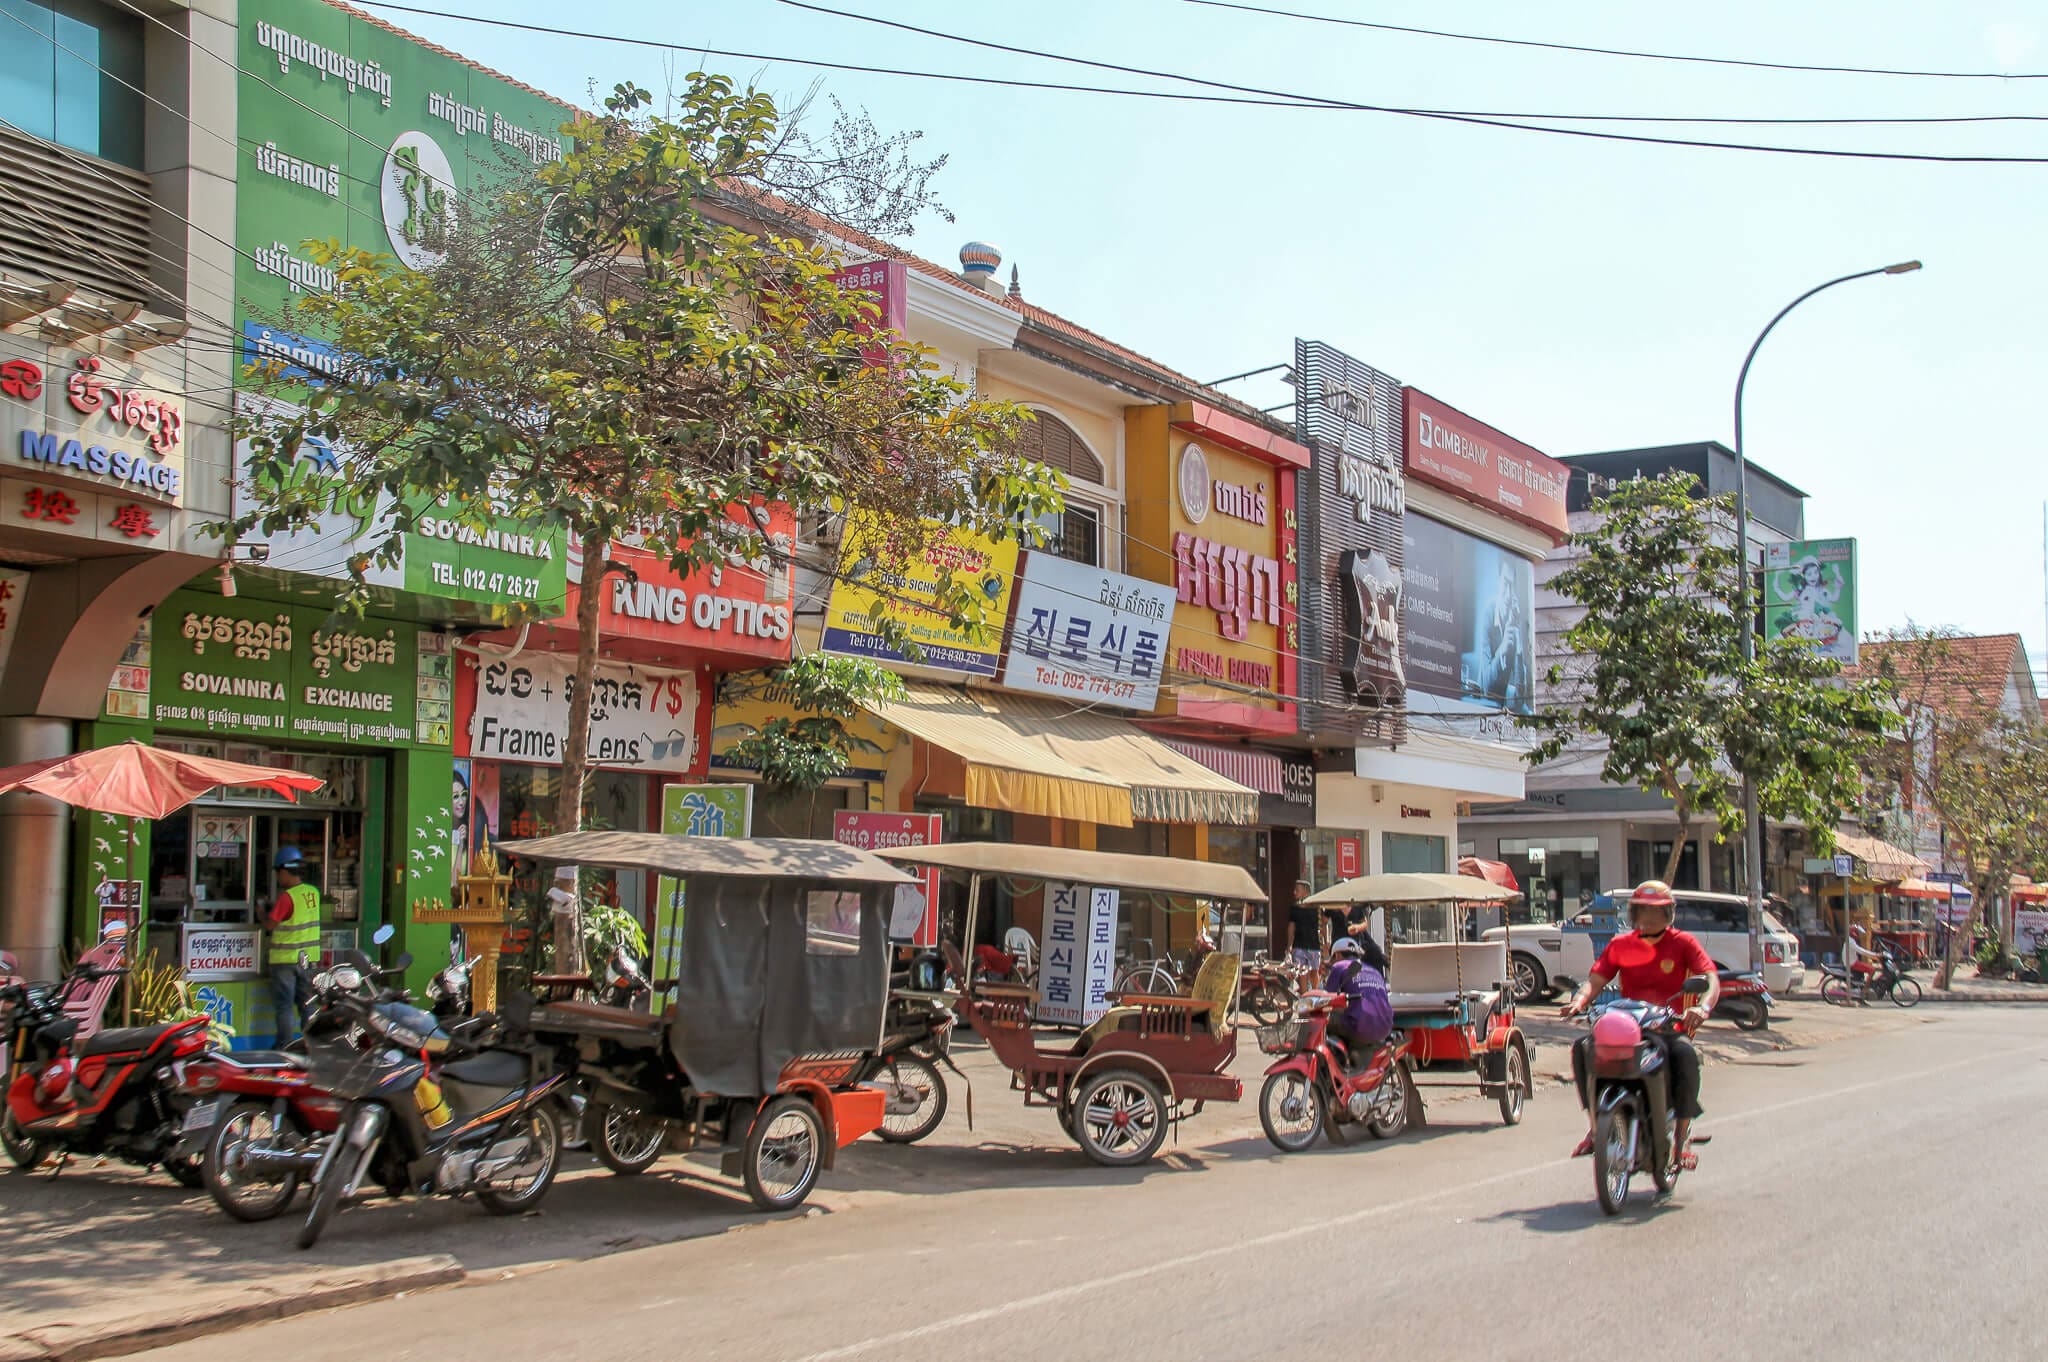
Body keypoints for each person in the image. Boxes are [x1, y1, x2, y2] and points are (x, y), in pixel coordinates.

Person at [1559, 880, 1719, 1168]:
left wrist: (1702, 1006)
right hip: (1627, 1027)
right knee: (1584, 1049)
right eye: (1642, 910)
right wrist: (1579, 1002)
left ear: (1668, 913)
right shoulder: (1621, 944)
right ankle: (1597, 1126)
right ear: (1633, 913)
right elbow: (1594, 982)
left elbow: (1710, 979)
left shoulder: (1683, 942)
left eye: (1655, 911)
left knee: (1685, 1056)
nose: (1648, 917)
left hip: (1668, 1028)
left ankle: (1681, 1139)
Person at [265, 847, 322, 1043]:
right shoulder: (313, 893)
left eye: (278, 873)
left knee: (284, 1007)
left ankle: (284, 1046)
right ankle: (312, 1045)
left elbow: (270, 924)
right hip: (308, 961)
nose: (278, 878)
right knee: (308, 1005)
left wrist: (260, 911)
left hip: (285, 962)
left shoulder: (287, 897)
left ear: (285, 871)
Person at [1323, 936, 1393, 1071]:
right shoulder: (1374, 971)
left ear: (1336, 955)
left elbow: (1326, 999)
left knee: (1325, 1024)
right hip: (1385, 1026)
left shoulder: (1339, 966)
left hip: (1360, 1026)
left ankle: (1337, 1068)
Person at [1287, 878, 1322, 972]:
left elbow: (1323, 925)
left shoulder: (1317, 908)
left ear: (1306, 892)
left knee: (1314, 974)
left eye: (1297, 890)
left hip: (1313, 946)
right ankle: (1304, 987)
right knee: (1301, 973)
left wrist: (1325, 943)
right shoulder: (1294, 908)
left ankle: (1315, 987)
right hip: (1298, 946)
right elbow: (1291, 928)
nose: (1294, 892)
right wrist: (1289, 945)